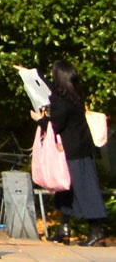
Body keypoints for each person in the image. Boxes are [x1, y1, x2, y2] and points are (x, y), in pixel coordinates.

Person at [44, 58, 107, 246]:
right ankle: (64, 227)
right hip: (80, 147)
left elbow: (56, 124)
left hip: (72, 151)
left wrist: (41, 119)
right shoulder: (75, 97)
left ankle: (97, 231)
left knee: (84, 190)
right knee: (67, 190)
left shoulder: (60, 100)